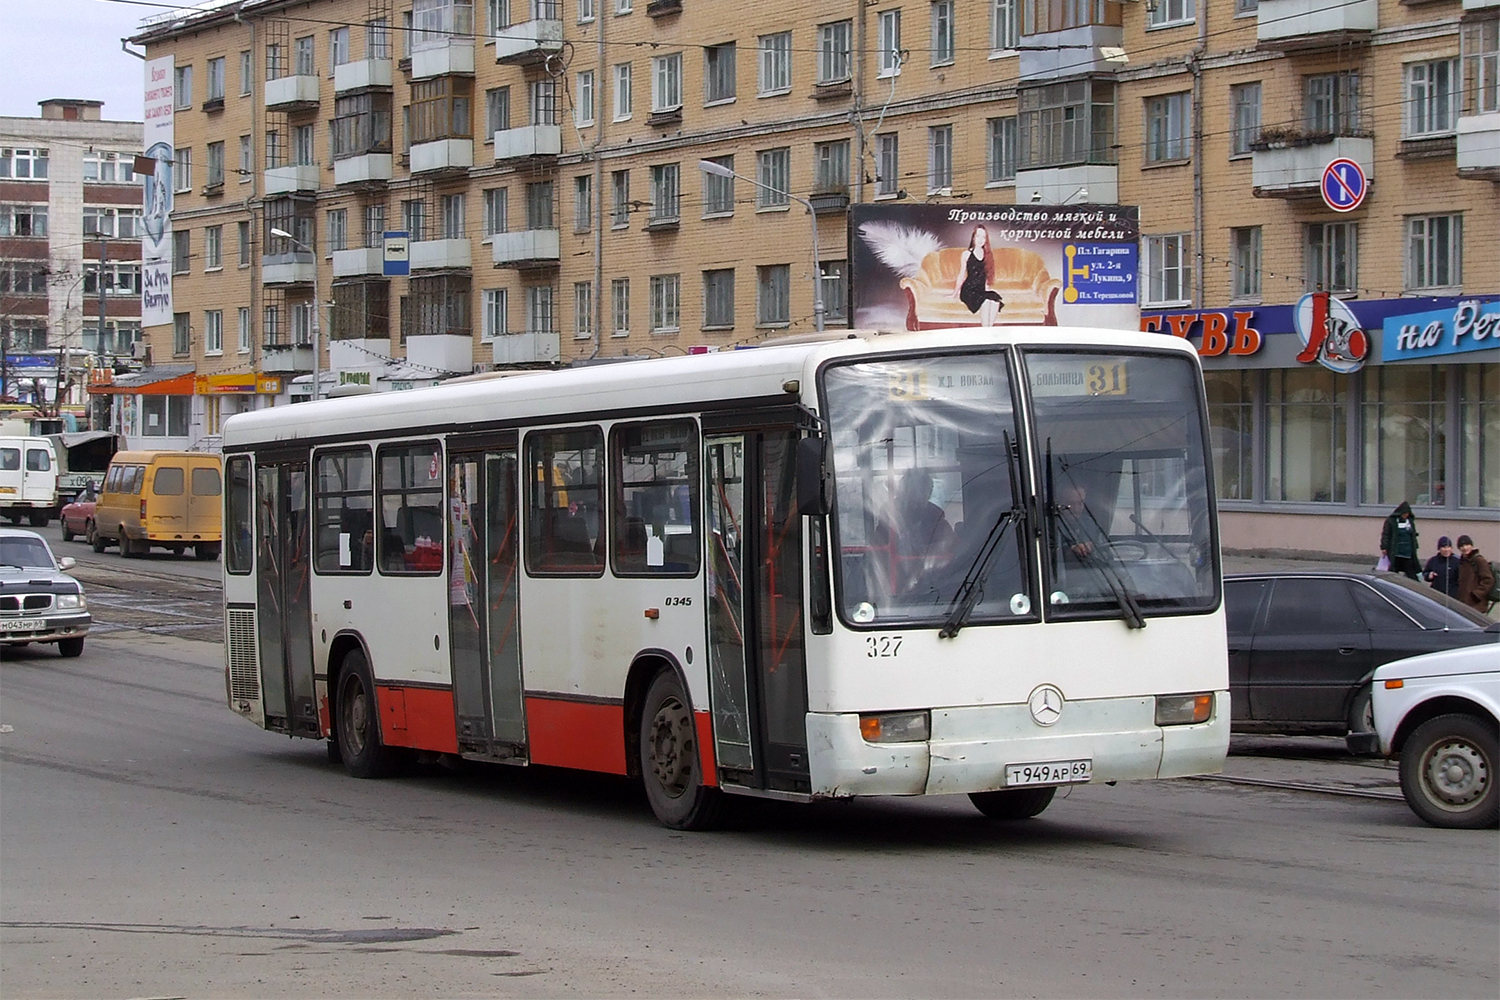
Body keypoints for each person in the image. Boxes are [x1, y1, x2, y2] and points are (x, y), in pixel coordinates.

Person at [951, 224, 1004, 327]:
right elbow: (961, 274)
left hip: (980, 290)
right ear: (973, 237)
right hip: (969, 290)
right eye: (978, 236)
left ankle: (989, 330)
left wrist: (986, 288)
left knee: (995, 301)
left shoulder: (987, 255)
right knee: (985, 302)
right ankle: (986, 330)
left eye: (983, 237)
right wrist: (954, 293)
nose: (981, 239)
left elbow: (986, 275)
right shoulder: (966, 254)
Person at [1456, 535, 1496, 613]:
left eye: (1467, 545)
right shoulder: (1462, 562)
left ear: (1471, 545)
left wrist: (1476, 594)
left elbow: (1488, 579)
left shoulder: (1479, 560)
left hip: (1477, 605)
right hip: (1464, 604)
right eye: (1462, 546)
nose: (1464, 548)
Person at [1380, 501, 1420, 579]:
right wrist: (1384, 546)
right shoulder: (1391, 521)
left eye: (1407, 514)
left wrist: (1415, 545)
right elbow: (1386, 534)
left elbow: (1413, 534)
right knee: (1393, 571)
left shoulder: (1410, 522)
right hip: (1396, 551)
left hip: (1408, 551)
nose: (1406, 515)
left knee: (1411, 571)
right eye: (1404, 514)